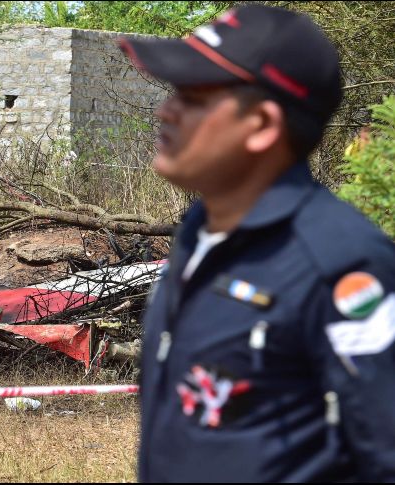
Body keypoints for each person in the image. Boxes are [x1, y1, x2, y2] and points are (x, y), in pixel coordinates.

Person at [118, 4, 395, 482]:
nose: (167, 110)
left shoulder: (342, 262)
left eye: (193, 97)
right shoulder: (200, 230)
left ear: (263, 125)